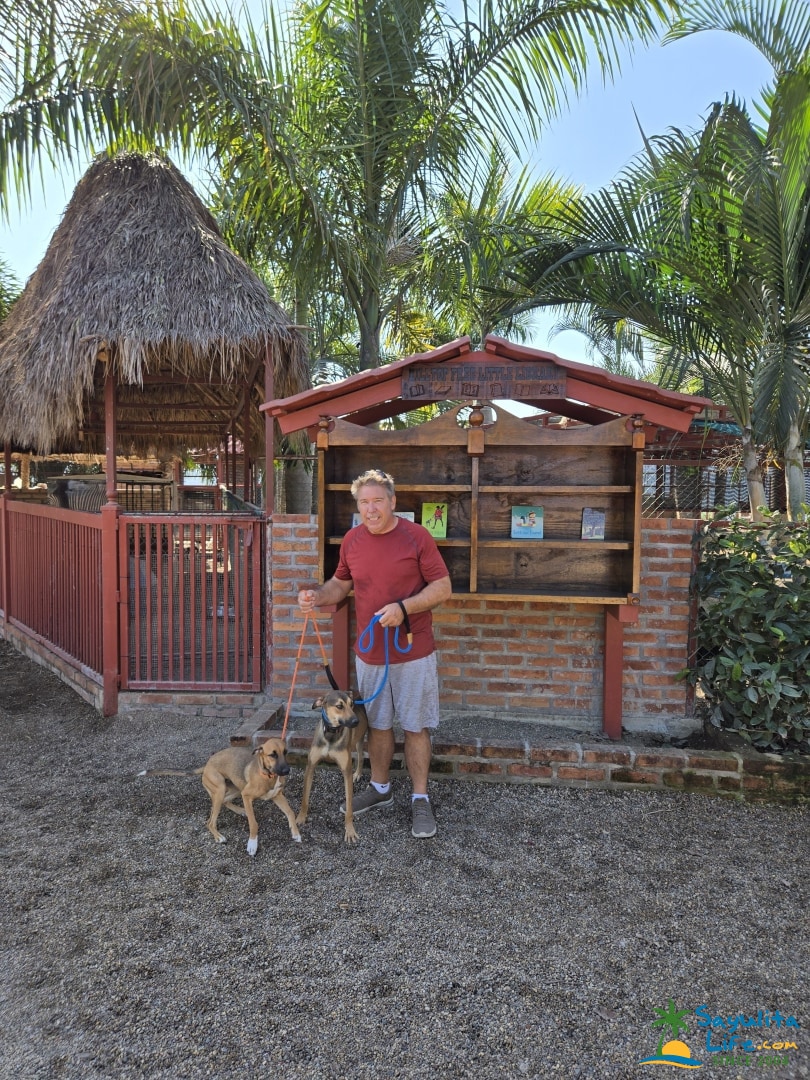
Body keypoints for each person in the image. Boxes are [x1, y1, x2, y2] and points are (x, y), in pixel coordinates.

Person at [298, 468, 451, 839]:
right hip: (370, 655)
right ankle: (380, 788)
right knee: (379, 725)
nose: (371, 509)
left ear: (392, 502)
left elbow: (442, 587)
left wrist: (404, 607)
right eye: (364, 502)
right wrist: (317, 596)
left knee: (415, 726)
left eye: (377, 501)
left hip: (413, 651)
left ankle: (420, 798)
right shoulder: (352, 540)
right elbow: (340, 585)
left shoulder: (416, 536)